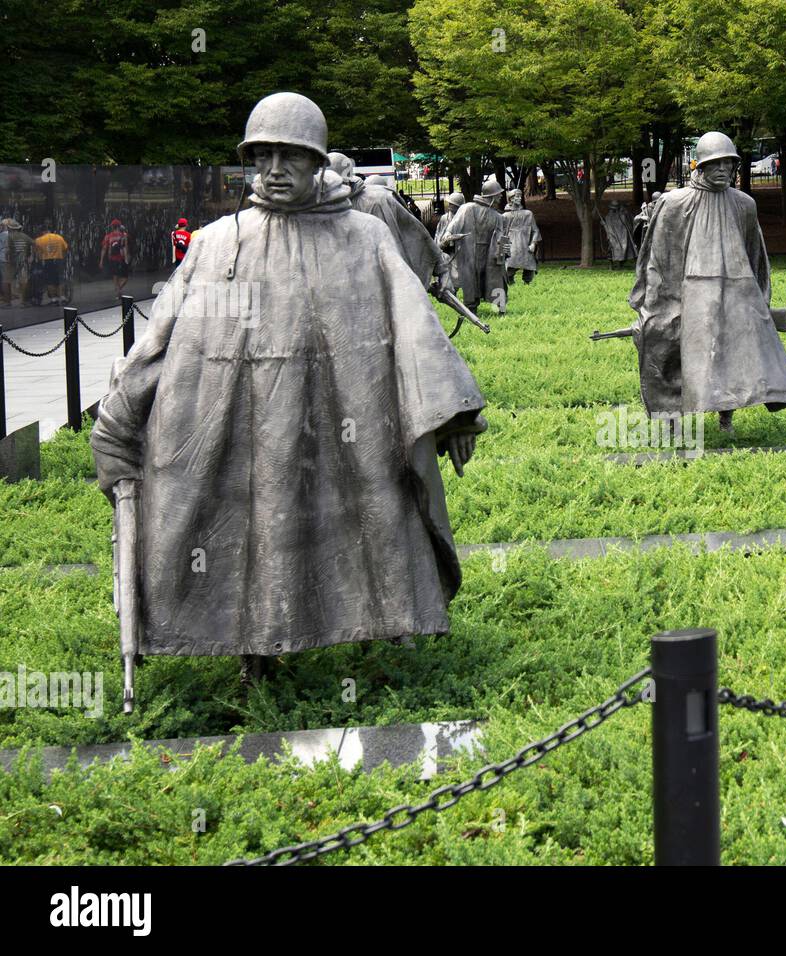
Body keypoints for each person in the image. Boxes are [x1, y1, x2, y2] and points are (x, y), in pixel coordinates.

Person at [89, 91, 488, 689]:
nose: (274, 171)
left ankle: (370, 628)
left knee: (355, 517)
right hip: (237, 424)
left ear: (317, 161)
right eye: (263, 156)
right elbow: (160, 341)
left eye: (291, 157)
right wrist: (118, 420)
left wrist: (454, 415)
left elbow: (415, 330)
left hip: (340, 420)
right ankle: (251, 655)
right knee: (245, 530)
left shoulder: (364, 239)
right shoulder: (216, 243)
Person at [628, 130, 786, 434]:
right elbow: (659, 258)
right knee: (670, 351)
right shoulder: (675, 203)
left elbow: (755, 256)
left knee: (731, 356)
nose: (724, 170)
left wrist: (758, 300)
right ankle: (671, 419)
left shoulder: (744, 205)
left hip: (736, 291)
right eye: (717, 164)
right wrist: (659, 302)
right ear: (700, 166)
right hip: (688, 291)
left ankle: (727, 416)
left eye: (729, 164)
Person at [329, 153, 449, 290]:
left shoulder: (378, 200)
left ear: (346, 181)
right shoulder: (319, 208)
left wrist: (441, 267)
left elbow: (414, 231)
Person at [442, 176, 510, 313]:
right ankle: (471, 308)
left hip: (489, 254)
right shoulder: (468, 208)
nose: (501, 196)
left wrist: (505, 250)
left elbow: (502, 238)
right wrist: (447, 236)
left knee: (496, 278)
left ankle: (499, 307)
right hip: (469, 253)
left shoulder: (498, 217)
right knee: (470, 281)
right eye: (499, 194)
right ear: (492, 195)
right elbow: (452, 226)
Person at [502, 188, 541, 285]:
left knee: (529, 266)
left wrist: (533, 244)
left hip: (525, 244)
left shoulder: (528, 214)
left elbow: (535, 230)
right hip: (512, 245)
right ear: (510, 199)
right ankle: (509, 282)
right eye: (516, 196)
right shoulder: (505, 216)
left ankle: (527, 282)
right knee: (510, 265)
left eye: (520, 196)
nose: (519, 198)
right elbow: (502, 234)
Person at [434, 192, 467, 295]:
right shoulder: (444, 218)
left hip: (459, 251)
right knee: (447, 274)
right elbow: (438, 233)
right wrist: (441, 243)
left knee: (458, 275)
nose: (449, 206)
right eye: (449, 203)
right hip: (446, 250)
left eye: (452, 204)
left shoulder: (464, 218)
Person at [31, 223, 69, 305]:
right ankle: (62, 297)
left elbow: (36, 253)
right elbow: (65, 248)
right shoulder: (59, 237)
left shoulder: (39, 240)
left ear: (42, 231)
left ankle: (54, 299)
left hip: (47, 261)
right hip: (58, 260)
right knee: (60, 280)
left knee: (50, 281)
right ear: (49, 230)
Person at [1, 218, 33, 307]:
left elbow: (8, 250)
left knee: (6, 280)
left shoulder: (7, 236)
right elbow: (33, 244)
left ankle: (7, 302)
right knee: (23, 280)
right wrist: (31, 256)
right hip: (21, 261)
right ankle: (23, 301)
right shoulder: (23, 235)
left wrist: (8, 258)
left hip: (8, 261)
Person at [601, 200, 637, 266]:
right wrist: (604, 225)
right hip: (614, 238)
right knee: (614, 246)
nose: (613, 210)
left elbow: (629, 225)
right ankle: (617, 261)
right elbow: (609, 229)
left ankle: (622, 261)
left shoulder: (623, 215)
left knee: (626, 245)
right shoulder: (608, 217)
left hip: (623, 237)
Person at [99, 218, 131, 295]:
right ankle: (119, 289)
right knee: (125, 277)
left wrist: (101, 260)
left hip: (112, 259)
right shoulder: (123, 235)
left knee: (115, 275)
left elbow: (104, 249)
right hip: (122, 258)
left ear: (112, 227)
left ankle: (117, 289)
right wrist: (127, 258)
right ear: (119, 226)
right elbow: (126, 247)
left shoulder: (108, 236)